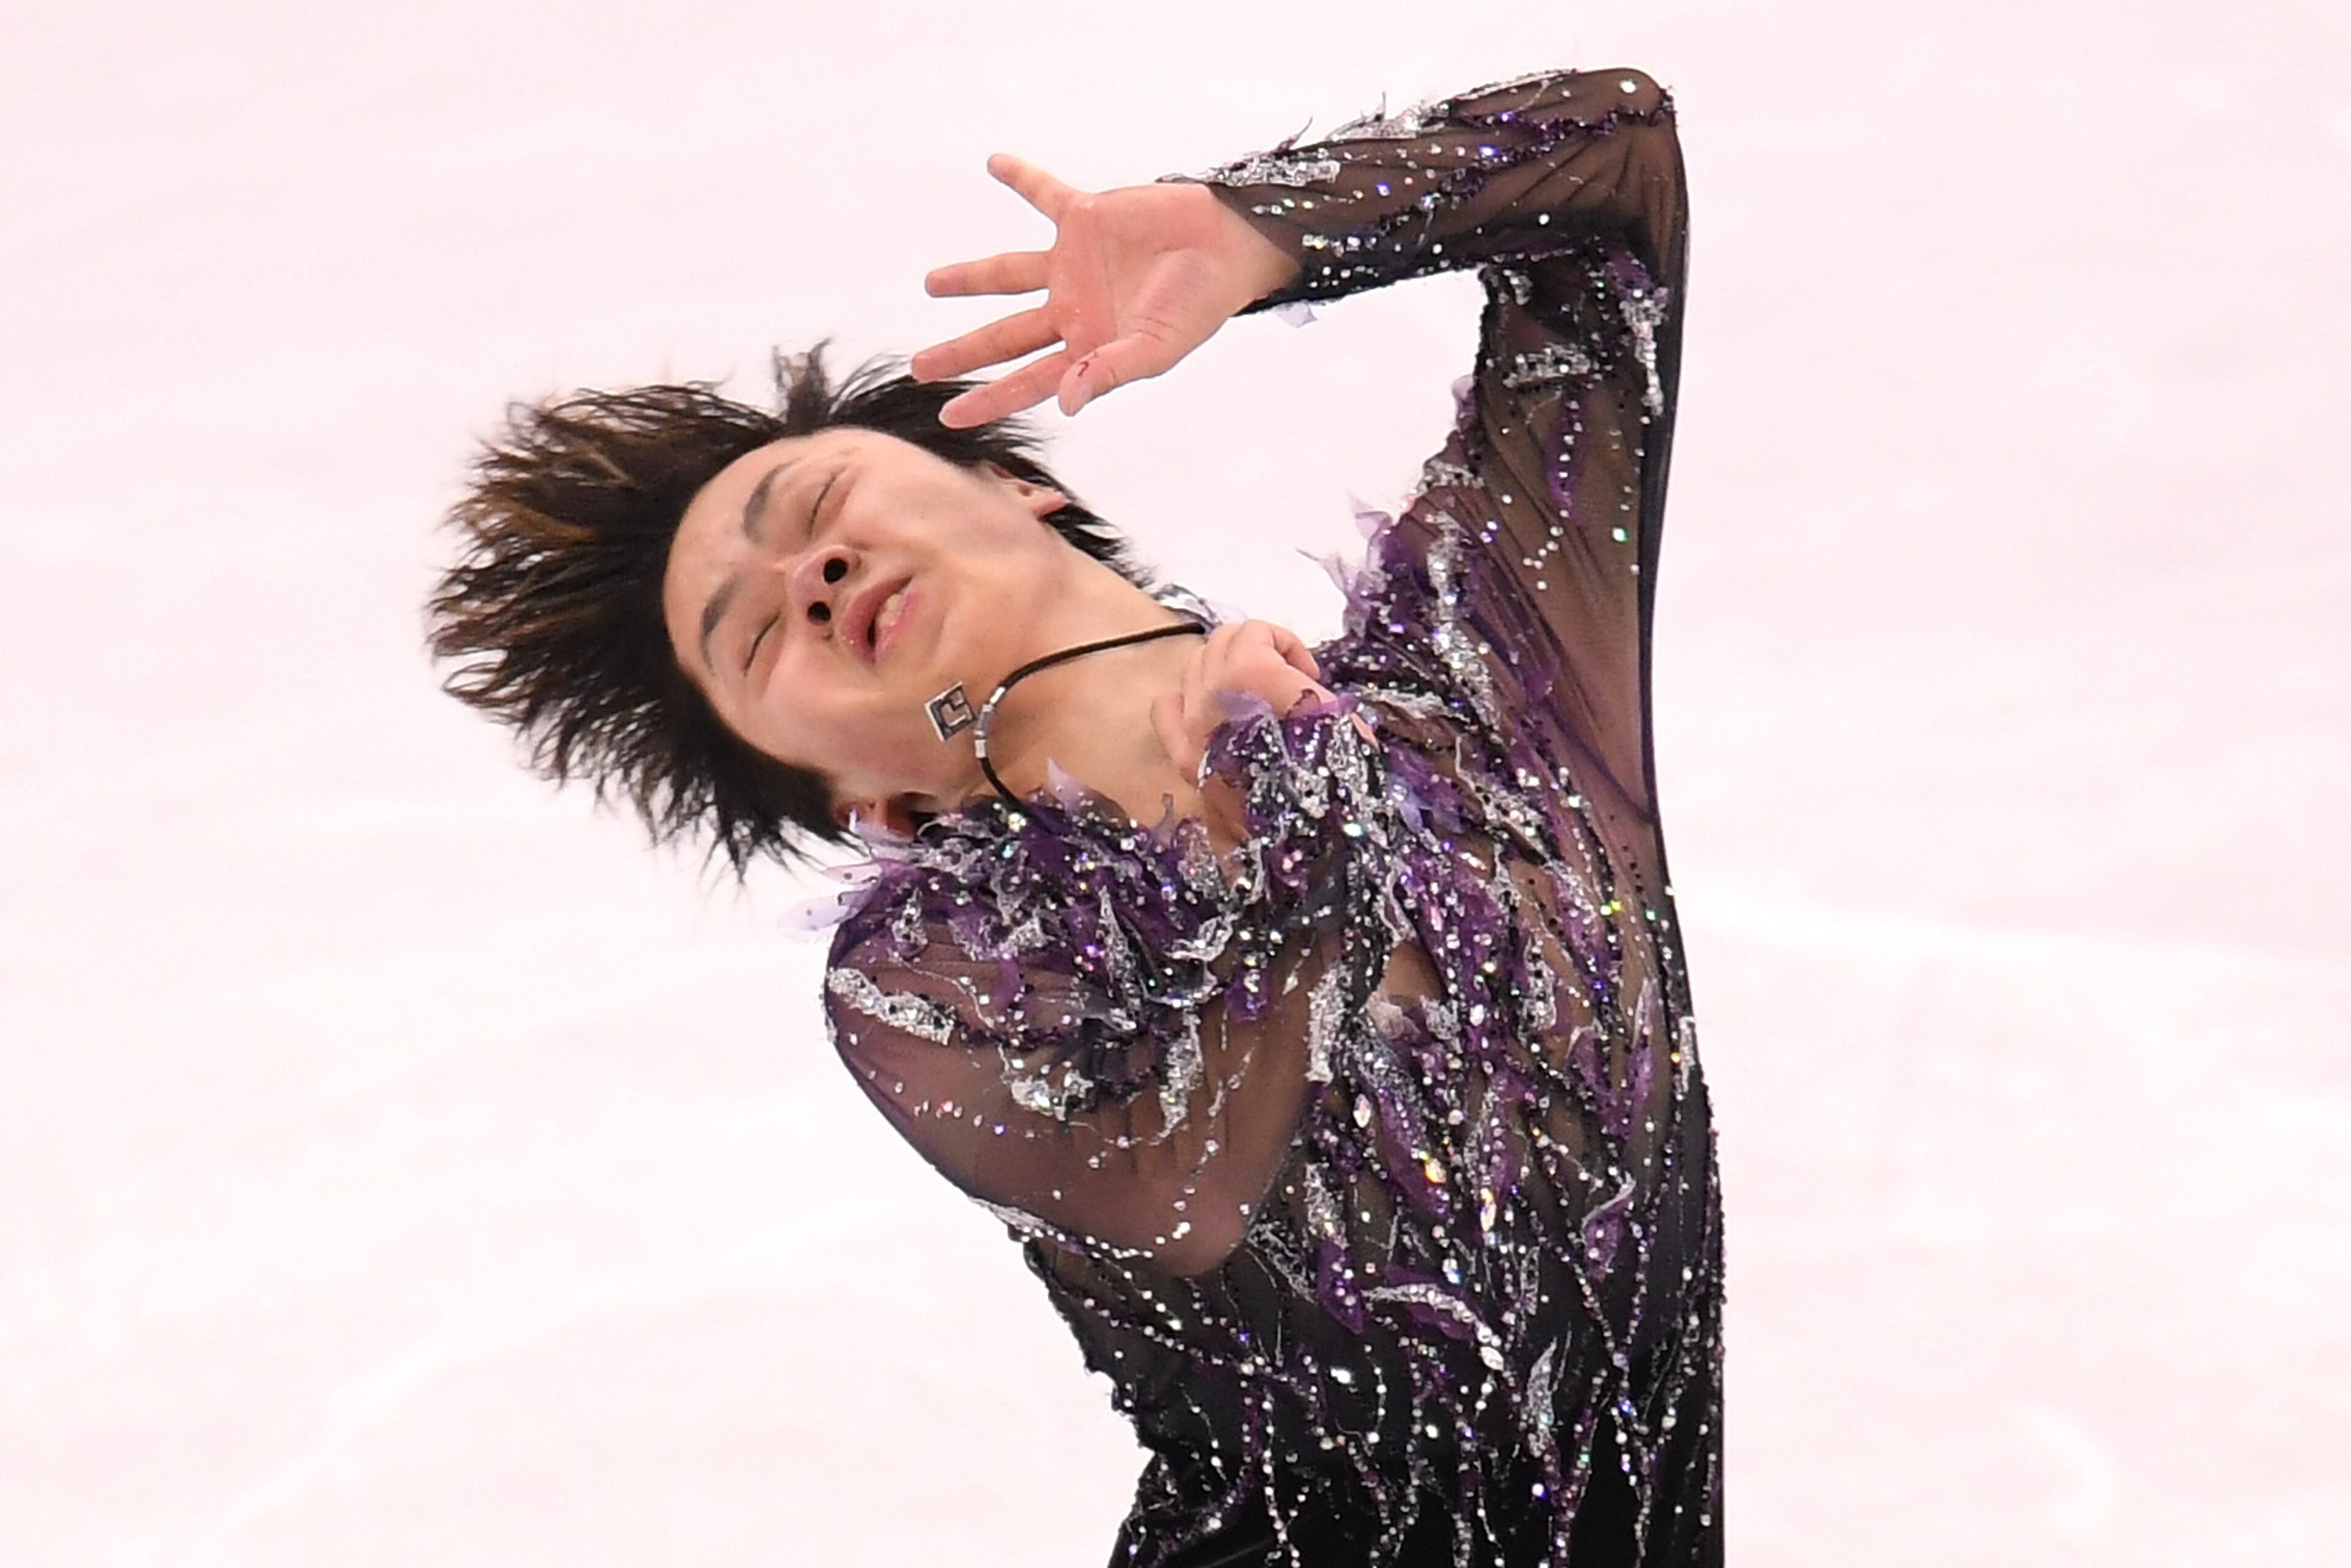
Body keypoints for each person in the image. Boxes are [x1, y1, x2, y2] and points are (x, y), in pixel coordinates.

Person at [429, 64, 1715, 1567]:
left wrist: (1265, 229)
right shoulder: (931, 979)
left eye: (818, 507)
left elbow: (1614, 167)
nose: (813, 578)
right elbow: (1183, 1181)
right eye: (750, 633)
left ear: (1006, 482)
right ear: (856, 800)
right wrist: (1266, 796)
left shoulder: (1491, 671)